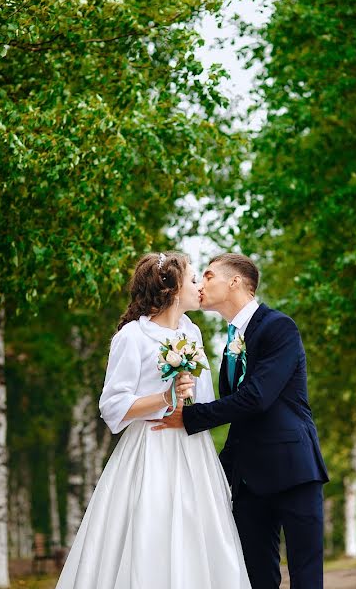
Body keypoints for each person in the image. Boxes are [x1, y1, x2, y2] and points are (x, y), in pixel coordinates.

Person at [55, 252, 251, 589]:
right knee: (150, 529)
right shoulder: (132, 336)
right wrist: (164, 398)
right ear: (173, 289)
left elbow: (203, 400)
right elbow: (113, 406)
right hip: (150, 448)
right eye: (192, 280)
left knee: (200, 534)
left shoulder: (192, 334)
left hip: (193, 450)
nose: (198, 287)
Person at [153, 253, 329, 589]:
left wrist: (189, 417)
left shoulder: (279, 327)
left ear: (235, 281)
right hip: (248, 481)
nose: (199, 285)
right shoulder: (231, 343)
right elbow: (240, 418)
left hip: (294, 470)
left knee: (306, 577)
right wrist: (217, 470)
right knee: (255, 578)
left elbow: (256, 398)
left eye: (207, 276)